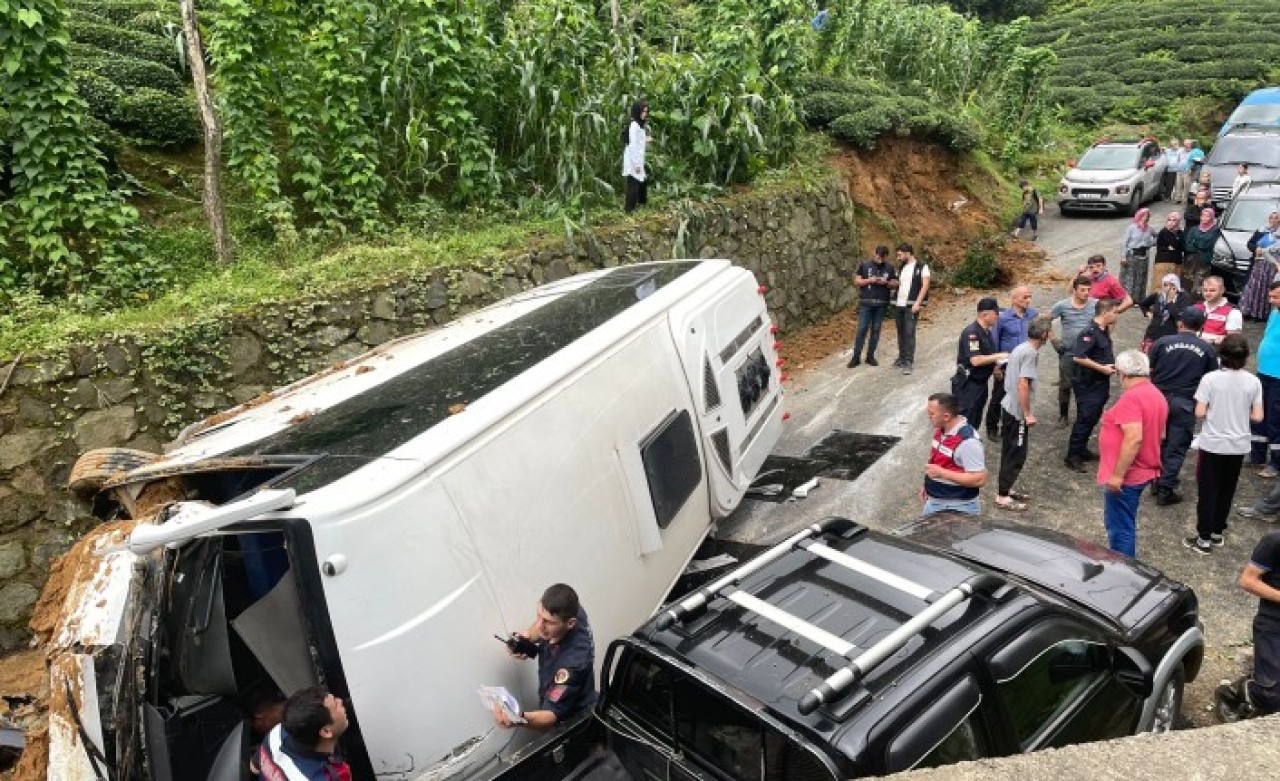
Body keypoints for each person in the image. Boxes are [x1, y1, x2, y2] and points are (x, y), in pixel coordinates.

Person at [1184, 335, 1263, 553]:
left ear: (1221, 355)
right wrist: (1241, 412)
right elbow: (1258, 416)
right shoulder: (1254, 381)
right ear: (1246, 357)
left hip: (1213, 443)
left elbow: (1199, 412)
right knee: (1227, 489)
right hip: (1239, 445)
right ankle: (1218, 532)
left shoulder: (1210, 379)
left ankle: (1203, 538)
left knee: (1208, 491)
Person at [494, 583, 597, 731]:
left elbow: (551, 715)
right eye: (539, 616)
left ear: (570, 623)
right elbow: (541, 624)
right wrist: (527, 637)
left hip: (573, 721)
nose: (539, 625)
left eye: (548, 622)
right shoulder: (569, 607)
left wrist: (517, 718)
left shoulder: (573, 663)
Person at [1096, 349, 1168, 558]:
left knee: (1120, 528)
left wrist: (1117, 475)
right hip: (1144, 469)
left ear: (1122, 374)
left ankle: (1123, 568)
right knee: (1123, 523)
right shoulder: (1156, 394)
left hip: (1129, 475)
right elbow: (1161, 434)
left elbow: (1134, 438)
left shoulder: (1132, 398)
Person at [1149, 307, 1218, 506]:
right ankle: (1166, 488)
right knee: (1177, 446)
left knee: (1157, 441)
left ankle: (1156, 480)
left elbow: (1148, 369)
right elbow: (1211, 379)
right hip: (1185, 402)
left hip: (1158, 399)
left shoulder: (1162, 342)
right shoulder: (1207, 349)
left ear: (1180, 323)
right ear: (1201, 326)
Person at [1215, 530, 1280, 719]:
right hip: (1273, 624)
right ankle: (1235, 692)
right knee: (1272, 695)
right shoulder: (1274, 541)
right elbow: (1247, 581)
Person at [994, 317, 1051, 512]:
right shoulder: (1030, 353)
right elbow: (1023, 384)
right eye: (1049, 332)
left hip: (1008, 405)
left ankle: (1006, 488)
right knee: (1016, 454)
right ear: (1043, 334)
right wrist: (1027, 414)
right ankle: (1002, 496)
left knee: (1009, 451)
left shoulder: (1021, 348)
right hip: (1016, 411)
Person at [1065, 297, 1120, 472]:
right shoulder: (1089, 332)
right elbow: (1078, 357)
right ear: (1105, 312)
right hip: (1088, 384)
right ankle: (1073, 455)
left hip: (1099, 383)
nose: (1116, 315)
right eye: (1114, 312)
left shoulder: (1103, 330)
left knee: (1093, 417)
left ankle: (1082, 449)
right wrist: (1102, 368)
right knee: (1085, 418)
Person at [255, 686, 351, 781]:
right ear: (326, 731)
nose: (340, 701)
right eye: (336, 705)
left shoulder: (275, 735)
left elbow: (254, 767)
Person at [922, 392, 987, 516]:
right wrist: (928, 485)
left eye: (932, 413)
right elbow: (938, 461)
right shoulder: (941, 429)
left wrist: (941, 473)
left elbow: (979, 479)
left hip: (958, 508)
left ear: (946, 416)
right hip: (935, 501)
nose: (928, 416)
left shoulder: (968, 442)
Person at [986, 286, 1038, 439]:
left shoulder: (1033, 315)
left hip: (1025, 364)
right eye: (1025, 297)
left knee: (1020, 395)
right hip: (1006, 365)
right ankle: (992, 426)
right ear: (1014, 299)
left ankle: (1009, 427)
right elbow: (994, 341)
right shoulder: (1002, 318)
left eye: (1029, 297)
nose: (1028, 300)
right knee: (999, 395)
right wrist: (996, 366)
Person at [952, 298, 1008, 431]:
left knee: (975, 419)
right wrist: (1001, 355)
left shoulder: (986, 332)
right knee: (965, 422)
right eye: (996, 313)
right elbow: (975, 360)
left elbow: (988, 355)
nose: (998, 316)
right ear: (985, 314)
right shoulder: (972, 333)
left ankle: (971, 442)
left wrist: (996, 368)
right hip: (968, 386)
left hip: (980, 384)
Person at [1049, 277, 1098, 426]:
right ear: (1074, 290)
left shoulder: (1096, 304)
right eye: (1082, 290)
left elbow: (1108, 318)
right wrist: (1054, 340)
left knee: (1085, 384)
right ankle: (1063, 415)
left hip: (1088, 353)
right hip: (1068, 352)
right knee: (1065, 385)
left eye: (1088, 290)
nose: (1086, 293)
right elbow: (1045, 321)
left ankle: (1083, 415)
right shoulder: (1062, 306)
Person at [848, 245, 898, 368]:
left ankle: (870, 356)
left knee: (876, 330)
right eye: (878, 256)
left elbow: (896, 283)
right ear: (874, 254)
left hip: (881, 304)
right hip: (866, 303)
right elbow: (857, 281)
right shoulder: (865, 265)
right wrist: (870, 280)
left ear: (886, 257)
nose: (879, 259)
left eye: (882, 258)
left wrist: (886, 282)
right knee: (862, 329)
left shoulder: (889, 267)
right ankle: (856, 357)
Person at [1252, 283, 1280, 479]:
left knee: (1275, 419)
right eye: (1270, 296)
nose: (1271, 301)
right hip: (1264, 372)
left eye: (1276, 297)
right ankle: (1257, 455)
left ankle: (1276, 462)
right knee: (1258, 414)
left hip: (1278, 376)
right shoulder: (1274, 313)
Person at [892, 242, 930, 375]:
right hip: (899, 304)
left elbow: (925, 286)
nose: (898, 257)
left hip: (911, 305)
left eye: (900, 255)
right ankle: (902, 357)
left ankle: (908, 361)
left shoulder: (922, 266)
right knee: (901, 332)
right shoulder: (902, 267)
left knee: (909, 333)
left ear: (908, 253)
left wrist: (918, 303)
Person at [1138, 273, 1193, 352]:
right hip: (1153, 333)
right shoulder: (1159, 295)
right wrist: (1148, 313)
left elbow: (1181, 316)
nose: (1168, 288)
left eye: (1172, 285)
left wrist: (1171, 301)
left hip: (1171, 336)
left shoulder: (1184, 298)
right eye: (1165, 285)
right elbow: (1143, 304)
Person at [1240, 211, 1280, 320]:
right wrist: (1255, 249)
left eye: (1276, 218)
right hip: (1258, 264)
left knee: (1267, 289)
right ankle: (1250, 311)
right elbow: (1250, 244)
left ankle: (1262, 314)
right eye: (1271, 218)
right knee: (1254, 288)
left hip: (1272, 266)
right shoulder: (1262, 230)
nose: (1273, 220)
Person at [1120, 207, 1157, 299]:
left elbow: (1157, 237)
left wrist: (1150, 244)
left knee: (1141, 278)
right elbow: (1124, 242)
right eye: (1144, 215)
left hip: (1143, 256)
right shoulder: (1132, 228)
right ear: (1139, 216)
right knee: (1130, 278)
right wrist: (1123, 256)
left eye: (1148, 216)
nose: (1146, 218)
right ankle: (1127, 298)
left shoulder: (1150, 229)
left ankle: (1138, 299)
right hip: (1132, 255)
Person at [1194, 276, 1242, 346]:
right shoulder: (1196, 307)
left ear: (1222, 290)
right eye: (1205, 290)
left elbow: (1234, 341)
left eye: (1212, 290)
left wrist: (1213, 342)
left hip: (1217, 349)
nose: (1208, 293)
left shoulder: (1233, 311)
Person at [1184, 206, 1221, 294]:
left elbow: (1209, 245)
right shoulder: (1194, 229)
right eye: (1203, 216)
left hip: (1205, 261)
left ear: (1211, 218)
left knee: (1202, 285)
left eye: (1207, 216)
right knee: (1188, 283)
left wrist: (1196, 243)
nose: (1204, 218)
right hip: (1191, 261)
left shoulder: (1215, 230)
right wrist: (1199, 245)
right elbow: (1188, 245)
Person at [622, 100, 649, 213]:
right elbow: (633, 145)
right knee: (633, 184)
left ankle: (639, 204)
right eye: (643, 111)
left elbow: (638, 140)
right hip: (633, 159)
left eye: (646, 112)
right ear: (637, 111)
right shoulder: (634, 125)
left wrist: (646, 139)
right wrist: (636, 164)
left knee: (641, 181)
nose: (645, 114)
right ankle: (629, 209)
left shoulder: (638, 124)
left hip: (637, 158)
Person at [1152, 211, 1185, 291]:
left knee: (1175, 286)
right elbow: (1174, 244)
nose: (1171, 222)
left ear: (1178, 222)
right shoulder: (1163, 232)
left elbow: (1182, 247)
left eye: (1174, 220)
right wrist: (1174, 245)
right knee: (1160, 286)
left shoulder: (1180, 233)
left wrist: (1173, 246)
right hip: (1163, 262)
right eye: (1169, 220)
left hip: (1177, 262)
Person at [1173, 138, 1194, 204]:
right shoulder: (1180, 151)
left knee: (1186, 186)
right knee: (1178, 185)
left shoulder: (1193, 152)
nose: (1186, 146)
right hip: (1179, 170)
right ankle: (1178, 199)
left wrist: (1191, 169)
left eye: (1188, 144)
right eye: (1185, 144)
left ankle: (1184, 200)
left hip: (1187, 171)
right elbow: (1178, 159)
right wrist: (1178, 166)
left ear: (1190, 145)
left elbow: (1194, 162)